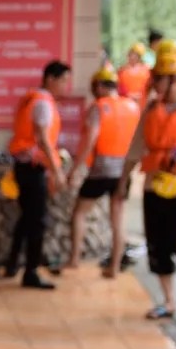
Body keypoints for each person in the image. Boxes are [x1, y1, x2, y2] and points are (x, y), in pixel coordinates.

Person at [123, 40, 176, 319]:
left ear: (174, 77)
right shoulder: (151, 110)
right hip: (154, 185)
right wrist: (123, 181)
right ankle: (169, 301)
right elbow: (135, 148)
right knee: (158, 244)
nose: (153, 82)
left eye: (159, 77)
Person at [65, 66, 140, 277]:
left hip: (101, 170)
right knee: (118, 219)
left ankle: (74, 259)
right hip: (123, 172)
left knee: (79, 212)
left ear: (99, 86)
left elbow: (90, 139)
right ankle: (114, 267)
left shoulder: (99, 107)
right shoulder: (132, 107)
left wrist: (75, 168)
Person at [4, 60, 70, 289]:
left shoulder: (33, 99)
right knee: (37, 221)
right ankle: (30, 272)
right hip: (33, 168)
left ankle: (12, 263)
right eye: (63, 81)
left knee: (27, 217)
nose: (65, 86)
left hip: (25, 166)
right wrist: (57, 170)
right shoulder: (42, 103)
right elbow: (42, 138)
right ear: (50, 79)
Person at [117, 42, 152, 109]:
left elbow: (150, 86)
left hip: (142, 105)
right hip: (126, 105)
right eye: (131, 54)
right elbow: (119, 87)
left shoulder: (147, 70)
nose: (132, 57)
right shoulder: (122, 71)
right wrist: (129, 95)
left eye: (136, 55)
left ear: (140, 57)